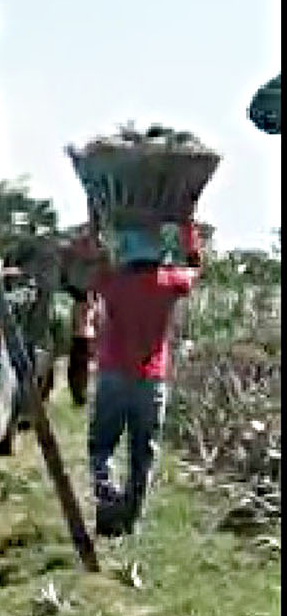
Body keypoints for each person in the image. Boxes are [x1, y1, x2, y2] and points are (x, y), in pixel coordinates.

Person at [73, 220, 202, 536]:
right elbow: (195, 268)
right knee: (143, 454)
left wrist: (95, 229)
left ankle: (107, 504)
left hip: (113, 375)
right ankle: (130, 519)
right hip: (151, 379)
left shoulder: (113, 281)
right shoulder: (170, 281)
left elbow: (86, 267)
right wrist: (188, 228)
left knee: (101, 447)